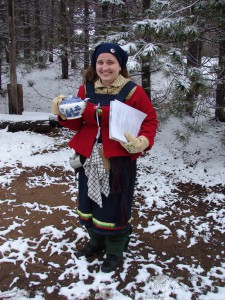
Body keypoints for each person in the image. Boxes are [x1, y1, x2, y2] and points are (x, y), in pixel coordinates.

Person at [52, 42, 158, 273]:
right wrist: (62, 113)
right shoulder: (85, 90)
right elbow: (77, 123)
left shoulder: (132, 91)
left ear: (120, 66)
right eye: (100, 62)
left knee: (115, 206)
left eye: (110, 62)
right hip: (88, 158)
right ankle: (96, 240)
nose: (105, 67)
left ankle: (115, 250)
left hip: (117, 161)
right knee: (89, 202)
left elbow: (150, 120)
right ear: (95, 65)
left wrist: (143, 140)